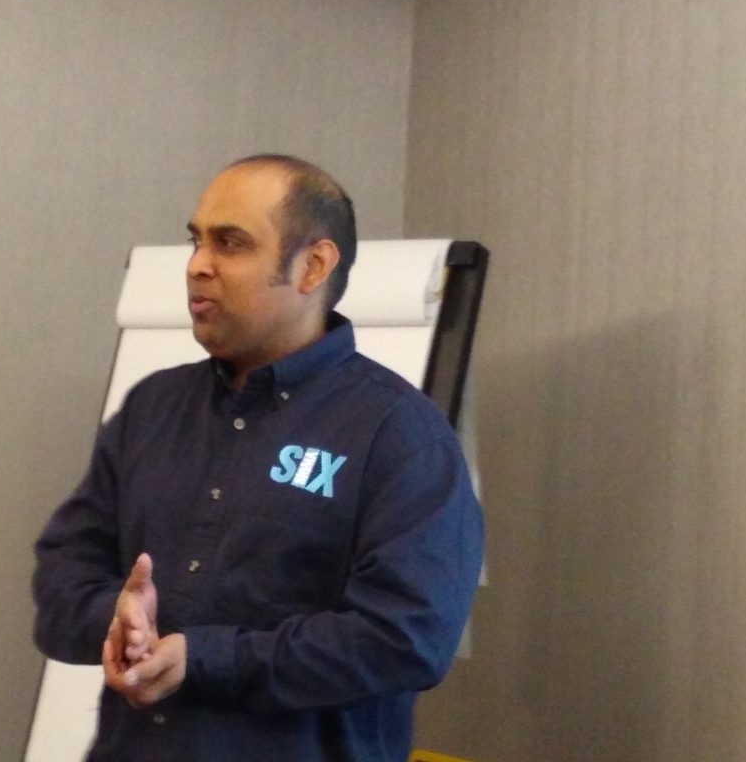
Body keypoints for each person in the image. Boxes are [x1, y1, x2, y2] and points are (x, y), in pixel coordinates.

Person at [32, 154, 484, 761]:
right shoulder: (152, 408)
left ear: (313, 266)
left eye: (231, 243)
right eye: (195, 241)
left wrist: (207, 658)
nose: (197, 266)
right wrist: (113, 619)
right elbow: (61, 578)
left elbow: (405, 638)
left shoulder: (399, 434)